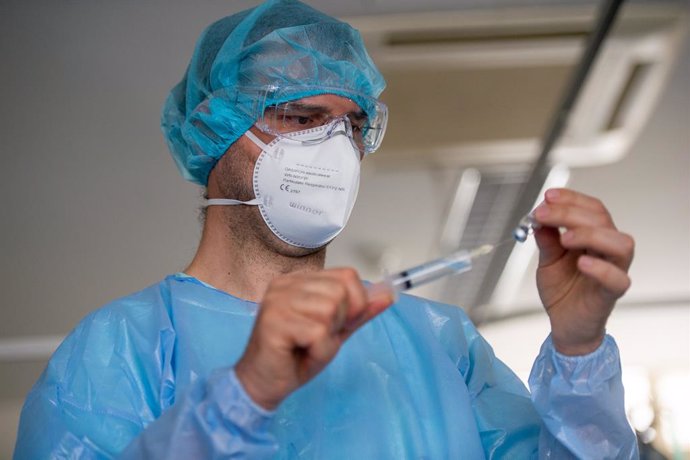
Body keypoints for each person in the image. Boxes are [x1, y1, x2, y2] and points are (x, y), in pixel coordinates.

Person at [14, 0, 639, 458]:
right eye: (299, 115)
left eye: (352, 126)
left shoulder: (437, 342)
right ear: (213, 129)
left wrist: (578, 349)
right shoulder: (124, 349)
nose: (332, 147)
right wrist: (243, 396)